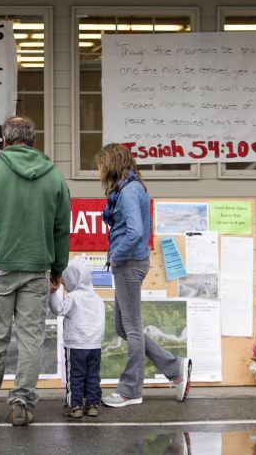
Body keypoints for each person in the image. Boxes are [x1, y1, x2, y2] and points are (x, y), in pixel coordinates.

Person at [0, 115, 71, 426]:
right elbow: (61, 230)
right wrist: (57, 269)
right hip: (38, 270)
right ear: (33, 141)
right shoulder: (54, 179)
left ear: (4, 140)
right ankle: (21, 405)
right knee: (30, 340)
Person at [94, 143, 192, 408]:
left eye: (101, 166)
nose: (99, 172)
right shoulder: (131, 188)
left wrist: (116, 256)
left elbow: (136, 232)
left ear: (111, 164)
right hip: (131, 263)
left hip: (128, 264)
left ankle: (130, 391)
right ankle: (174, 369)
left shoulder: (127, 192)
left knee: (132, 329)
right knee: (123, 328)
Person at [49, 257, 105, 418]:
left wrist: (53, 293)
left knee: (75, 376)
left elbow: (59, 309)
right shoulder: (97, 298)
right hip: (95, 346)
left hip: (75, 346)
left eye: (66, 280)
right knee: (93, 376)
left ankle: (75, 406)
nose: (65, 284)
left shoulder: (73, 297)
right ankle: (92, 404)